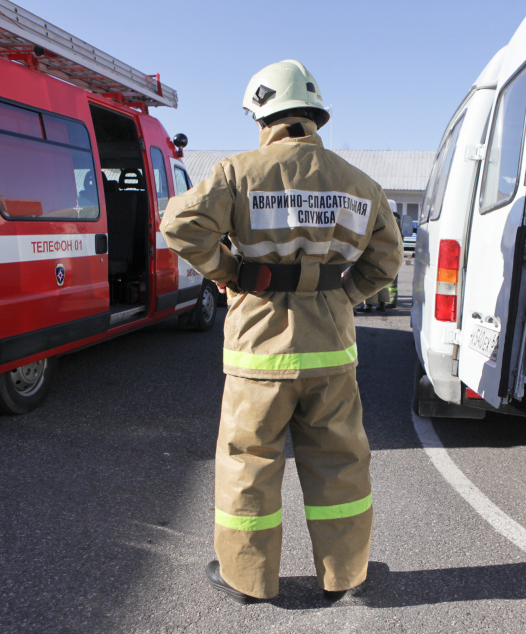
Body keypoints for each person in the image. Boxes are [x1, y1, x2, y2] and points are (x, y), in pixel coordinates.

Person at [159, 60, 403, 603]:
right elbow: (387, 261)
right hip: (331, 350)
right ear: (315, 116)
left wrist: (230, 273)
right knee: (340, 464)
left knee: (248, 463)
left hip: (258, 350)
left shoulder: (237, 173)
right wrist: (341, 295)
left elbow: (180, 226)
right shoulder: (359, 183)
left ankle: (248, 579)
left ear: (262, 116)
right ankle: (345, 576)